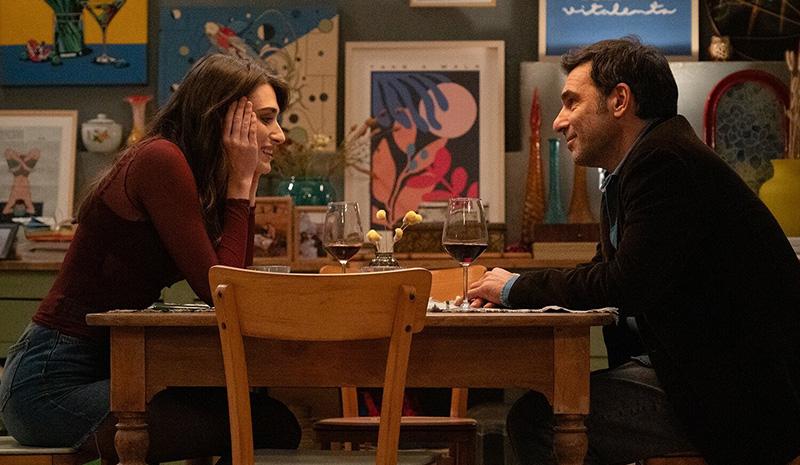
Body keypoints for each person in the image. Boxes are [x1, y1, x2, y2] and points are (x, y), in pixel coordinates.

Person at [467, 37, 800, 465]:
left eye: (571, 102)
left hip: (741, 397)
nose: (558, 121)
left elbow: (625, 282)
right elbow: (607, 271)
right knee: (548, 407)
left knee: (539, 419)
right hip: (702, 375)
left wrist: (515, 288)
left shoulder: (665, 162)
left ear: (620, 100)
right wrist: (513, 291)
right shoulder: (639, 165)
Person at [0, 54, 301, 464]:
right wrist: (242, 181)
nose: (279, 135)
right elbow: (220, 288)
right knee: (267, 425)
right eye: (266, 119)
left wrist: (244, 187)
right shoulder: (160, 159)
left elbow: (233, 287)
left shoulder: (190, 173)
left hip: (109, 372)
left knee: (266, 419)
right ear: (222, 119)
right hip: (50, 386)